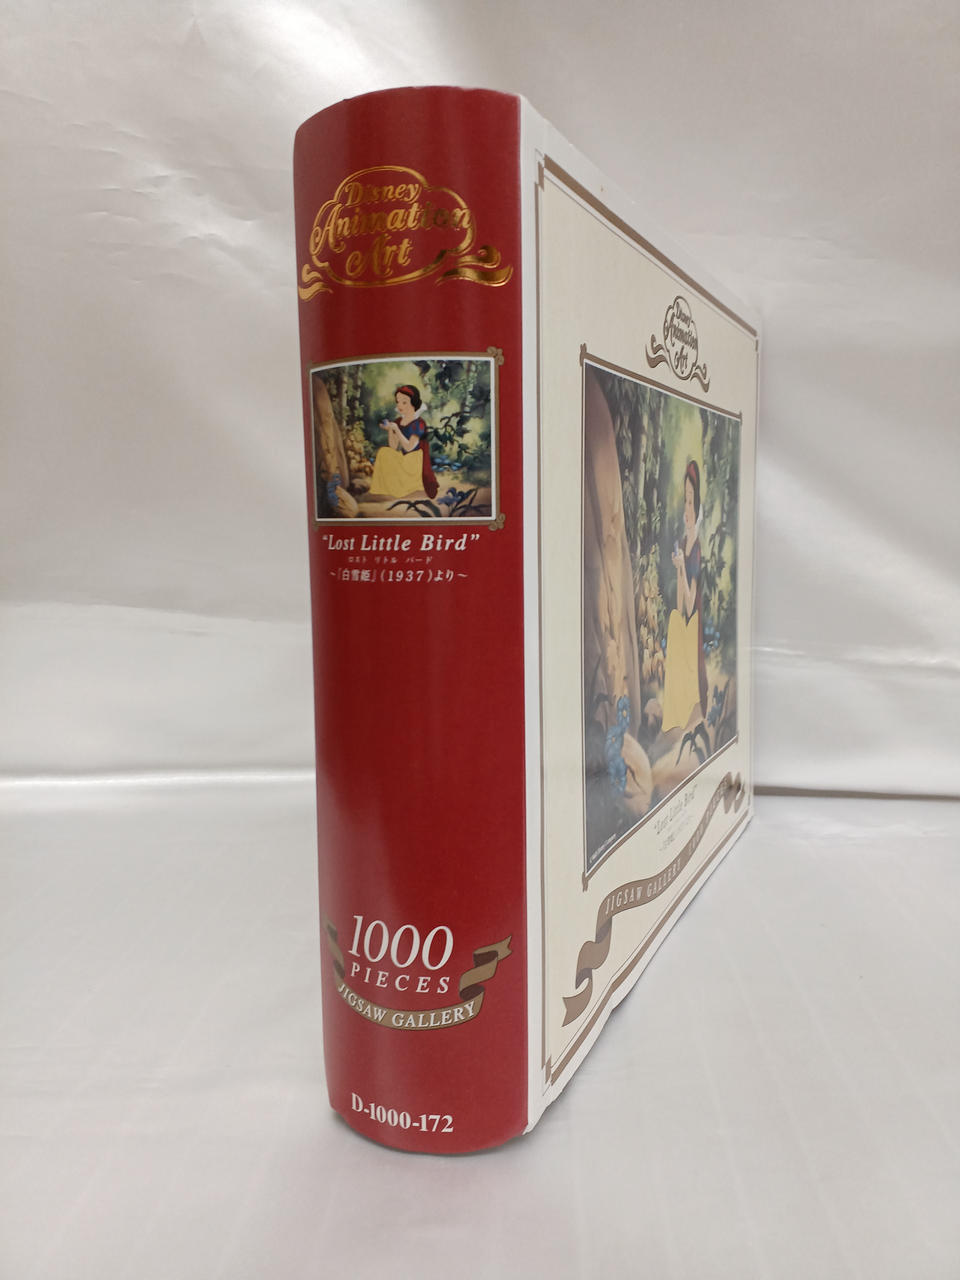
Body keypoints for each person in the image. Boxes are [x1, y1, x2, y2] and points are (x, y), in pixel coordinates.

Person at [661, 460, 708, 732]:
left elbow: (691, 607)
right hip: (685, 617)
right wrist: (678, 569)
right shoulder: (681, 543)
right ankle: (675, 711)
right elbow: (679, 606)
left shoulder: (696, 548)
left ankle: (688, 705)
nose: (687, 509)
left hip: (695, 623)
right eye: (685, 502)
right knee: (673, 622)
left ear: (697, 506)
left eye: (691, 502)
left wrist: (682, 568)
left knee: (681, 627)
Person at [369, 385, 438, 499]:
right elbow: (393, 446)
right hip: (404, 457)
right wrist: (390, 430)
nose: (399, 405)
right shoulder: (398, 421)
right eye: (398, 402)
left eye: (404, 402)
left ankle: (403, 488)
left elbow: (409, 447)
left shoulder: (418, 423)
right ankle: (385, 488)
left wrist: (396, 430)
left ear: (413, 403)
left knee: (397, 458)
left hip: (414, 460)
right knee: (384, 452)